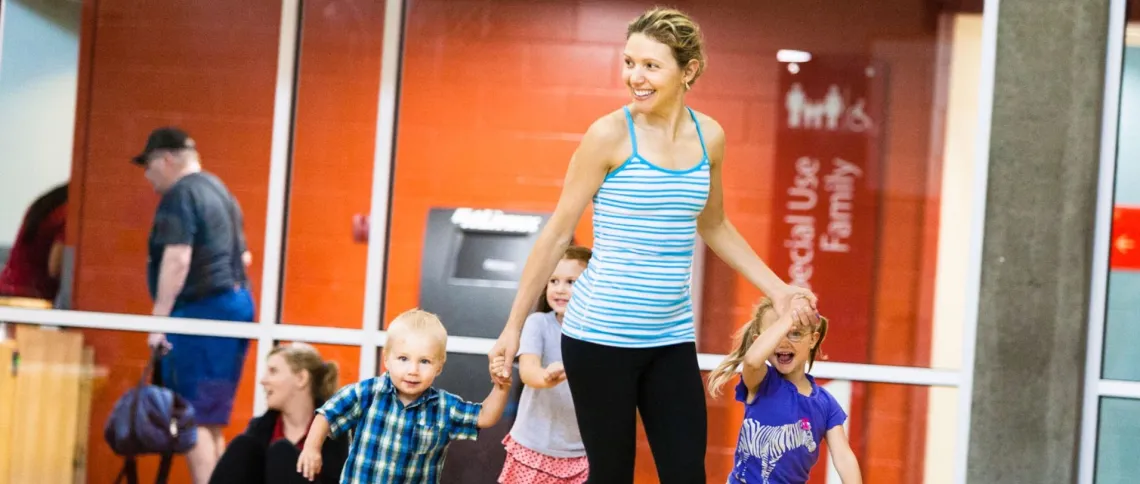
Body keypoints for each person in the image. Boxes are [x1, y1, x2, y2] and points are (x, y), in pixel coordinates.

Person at [487, 7, 819, 482]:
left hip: (670, 337)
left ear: (689, 71)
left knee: (687, 474)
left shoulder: (710, 137)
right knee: (613, 475)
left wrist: (780, 288)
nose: (634, 77)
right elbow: (558, 233)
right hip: (599, 339)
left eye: (650, 65)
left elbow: (716, 224)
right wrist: (513, 326)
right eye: (628, 62)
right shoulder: (608, 136)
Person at [134, 126, 256, 484]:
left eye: (149, 165)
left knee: (191, 417)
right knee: (210, 421)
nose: (147, 175)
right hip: (235, 306)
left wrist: (159, 319)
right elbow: (244, 256)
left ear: (167, 159)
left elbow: (177, 258)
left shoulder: (180, 194)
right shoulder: (220, 191)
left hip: (203, 310)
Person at [297, 308, 512, 484]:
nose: (413, 370)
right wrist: (312, 448)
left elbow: (485, 416)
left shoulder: (444, 408)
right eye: (403, 359)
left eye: (425, 361)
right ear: (387, 359)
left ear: (439, 366)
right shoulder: (367, 393)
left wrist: (500, 387)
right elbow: (327, 414)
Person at [707, 298, 861, 483]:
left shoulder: (826, 403)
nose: (783, 343)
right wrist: (789, 317)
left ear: (813, 339)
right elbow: (752, 360)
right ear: (760, 341)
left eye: (795, 333)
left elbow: (843, 457)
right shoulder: (762, 381)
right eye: (776, 334)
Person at [498, 246, 592, 484]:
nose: (560, 289)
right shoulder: (538, 323)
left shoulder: (599, 334)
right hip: (533, 444)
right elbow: (529, 371)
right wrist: (546, 377)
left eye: (570, 281)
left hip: (582, 451)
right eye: (553, 280)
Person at [210, 343, 348, 484]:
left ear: (301, 378)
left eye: (273, 371)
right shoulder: (260, 428)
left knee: (282, 452)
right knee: (243, 445)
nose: (263, 381)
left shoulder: (334, 429)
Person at [0, 183, 68, 301]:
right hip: (31, 299)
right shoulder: (70, 212)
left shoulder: (52, 201)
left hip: (8, 289)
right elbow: (55, 268)